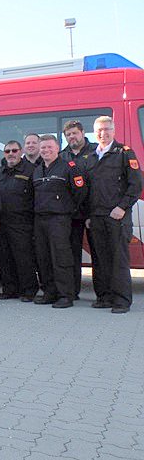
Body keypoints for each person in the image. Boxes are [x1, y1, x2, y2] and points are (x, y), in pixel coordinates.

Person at [86, 116, 142, 313]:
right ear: (95, 132)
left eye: (107, 129)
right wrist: (88, 215)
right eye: (99, 130)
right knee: (100, 259)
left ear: (114, 130)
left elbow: (136, 185)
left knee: (118, 260)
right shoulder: (92, 157)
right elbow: (88, 189)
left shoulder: (125, 153)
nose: (103, 133)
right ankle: (104, 297)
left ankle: (121, 301)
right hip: (96, 216)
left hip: (117, 216)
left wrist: (122, 207)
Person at [32, 135, 88, 308]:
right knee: (44, 257)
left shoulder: (69, 167)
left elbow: (80, 192)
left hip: (60, 219)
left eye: (49, 147)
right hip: (40, 219)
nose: (46, 150)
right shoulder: (37, 170)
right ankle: (50, 292)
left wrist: (67, 209)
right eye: (43, 148)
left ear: (57, 148)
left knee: (61, 257)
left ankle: (66, 295)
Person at [0, 140, 38, 302]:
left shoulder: (31, 170)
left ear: (21, 152)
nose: (11, 154)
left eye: (14, 150)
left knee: (24, 258)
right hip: (2, 222)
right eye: (7, 151)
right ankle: (9, 289)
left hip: (22, 222)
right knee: (4, 258)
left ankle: (28, 290)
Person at [60, 120, 98, 300]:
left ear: (83, 133)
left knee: (98, 254)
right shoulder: (62, 156)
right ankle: (72, 292)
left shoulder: (96, 151)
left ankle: (103, 294)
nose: (72, 137)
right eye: (68, 135)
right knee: (72, 254)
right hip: (73, 214)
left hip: (94, 212)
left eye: (74, 133)